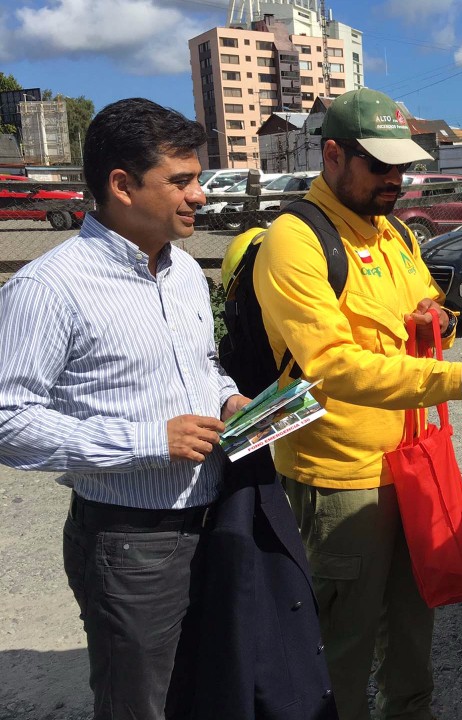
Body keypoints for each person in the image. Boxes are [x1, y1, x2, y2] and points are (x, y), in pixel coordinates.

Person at [252, 88, 462, 720]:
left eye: (402, 167)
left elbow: (435, 310)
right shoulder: (295, 240)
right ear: (333, 156)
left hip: (411, 463)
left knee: (412, 621)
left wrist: (434, 320)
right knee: (340, 642)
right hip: (340, 475)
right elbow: (331, 365)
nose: (395, 181)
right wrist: (459, 380)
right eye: (380, 167)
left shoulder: (396, 235)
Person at [0, 98, 251, 720]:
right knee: (140, 704)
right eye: (181, 181)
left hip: (214, 516)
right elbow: (8, 419)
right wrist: (145, 440)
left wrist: (228, 398)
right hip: (129, 540)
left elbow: (200, 366)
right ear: (122, 185)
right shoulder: (48, 287)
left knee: (207, 688)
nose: (199, 196)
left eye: (198, 179)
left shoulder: (187, 272)